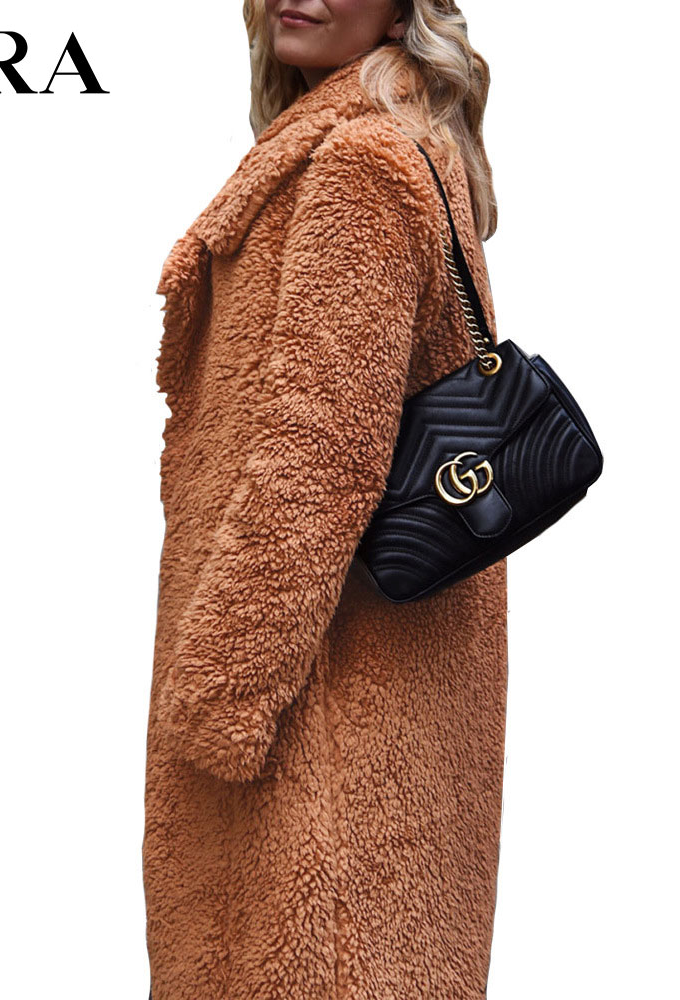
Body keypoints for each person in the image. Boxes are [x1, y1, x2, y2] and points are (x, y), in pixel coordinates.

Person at [145, 2, 506, 996]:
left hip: (312, 711)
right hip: (366, 694)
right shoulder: (395, 144)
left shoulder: (358, 165)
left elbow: (317, 455)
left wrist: (218, 699)